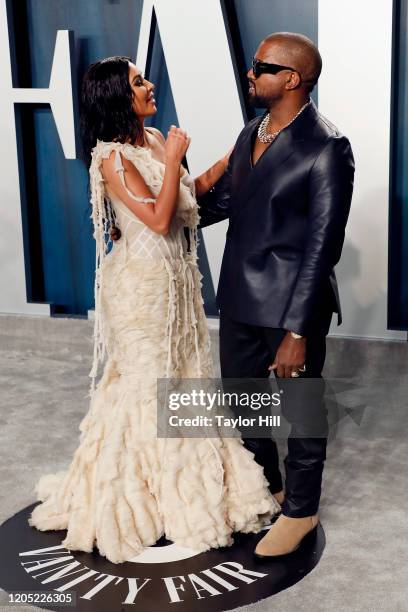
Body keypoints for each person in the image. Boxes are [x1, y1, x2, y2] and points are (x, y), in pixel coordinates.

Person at [27, 56, 280, 564]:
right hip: (140, 292)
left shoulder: (157, 141)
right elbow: (162, 219)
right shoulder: (112, 158)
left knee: (184, 381)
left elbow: (192, 198)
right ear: (119, 98)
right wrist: (176, 158)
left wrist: (238, 153)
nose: (149, 85)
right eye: (138, 82)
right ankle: (140, 496)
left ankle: (182, 491)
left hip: (175, 289)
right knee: (148, 386)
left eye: (144, 77)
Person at [198, 32, 355, 559]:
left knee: (302, 410)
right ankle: (268, 487)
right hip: (240, 295)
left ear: (291, 79)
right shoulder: (253, 131)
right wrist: (155, 215)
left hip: (291, 303)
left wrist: (296, 332)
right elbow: (225, 202)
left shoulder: (328, 147)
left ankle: (302, 510)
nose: (250, 73)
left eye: (260, 67)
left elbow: (321, 248)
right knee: (245, 406)